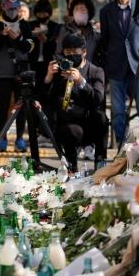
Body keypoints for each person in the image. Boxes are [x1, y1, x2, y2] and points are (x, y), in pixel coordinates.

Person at [100, 0, 139, 149]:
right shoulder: (106, 11)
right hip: (116, 67)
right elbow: (105, 39)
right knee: (117, 113)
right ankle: (123, 147)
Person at [42, 34, 107, 173]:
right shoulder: (59, 70)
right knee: (71, 131)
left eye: (74, 51)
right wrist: (48, 77)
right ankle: (72, 166)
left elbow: (98, 98)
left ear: (84, 52)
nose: (71, 55)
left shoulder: (96, 71)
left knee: (102, 118)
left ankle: (100, 162)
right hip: (67, 123)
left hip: (88, 122)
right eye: (67, 52)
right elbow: (44, 98)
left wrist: (81, 81)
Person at [0, 0, 35, 152]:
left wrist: (18, 37)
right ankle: (2, 138)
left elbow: (29, 47)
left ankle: (19, 138)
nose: (12, 11)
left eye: (15, 8)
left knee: (21, 105)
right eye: (9, 8)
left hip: (21, 71)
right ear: (3, 7)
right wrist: (2, 36)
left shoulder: (24, 24)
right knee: (3, 106)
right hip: (2, 71)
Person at [56, 0, 101, 66]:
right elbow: (58, 54)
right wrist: (67, 67)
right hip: (70, 71)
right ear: (72, 12)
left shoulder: (95, 33)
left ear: (89, 12)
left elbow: (100, 56)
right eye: (76, 9)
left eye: (83, 9)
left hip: (90, 71)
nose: (79, 12)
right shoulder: (65, 29)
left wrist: (95, 70)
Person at [29, 0, 61, 94]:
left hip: (48, 62)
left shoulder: (55, 27)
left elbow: (57, 47)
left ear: (49, 13)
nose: (42, 16)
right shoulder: (30, 25)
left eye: (44, 14)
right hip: (33, 61)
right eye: (39, 14)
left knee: (47, 88)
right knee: (34, 88)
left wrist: (46, 40)